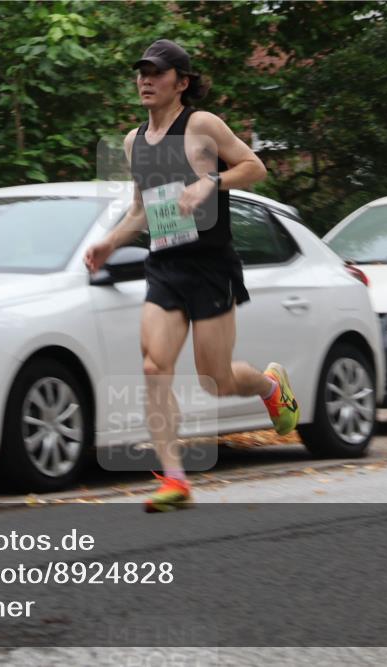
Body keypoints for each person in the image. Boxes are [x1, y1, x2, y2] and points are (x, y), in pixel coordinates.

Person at [84, 39, 299, 512]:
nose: (145, 80)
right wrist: (110, 241)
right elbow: (142, 211)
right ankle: (175, 479)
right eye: (141, 72)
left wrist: (210, 182)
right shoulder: (133, 141)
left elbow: (254, 166)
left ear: (181, 82)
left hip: (210, 265)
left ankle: (269, 387)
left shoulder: (202, 126)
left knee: (215, 380)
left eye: (156, 73)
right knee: (153, 367)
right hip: (164, 265)